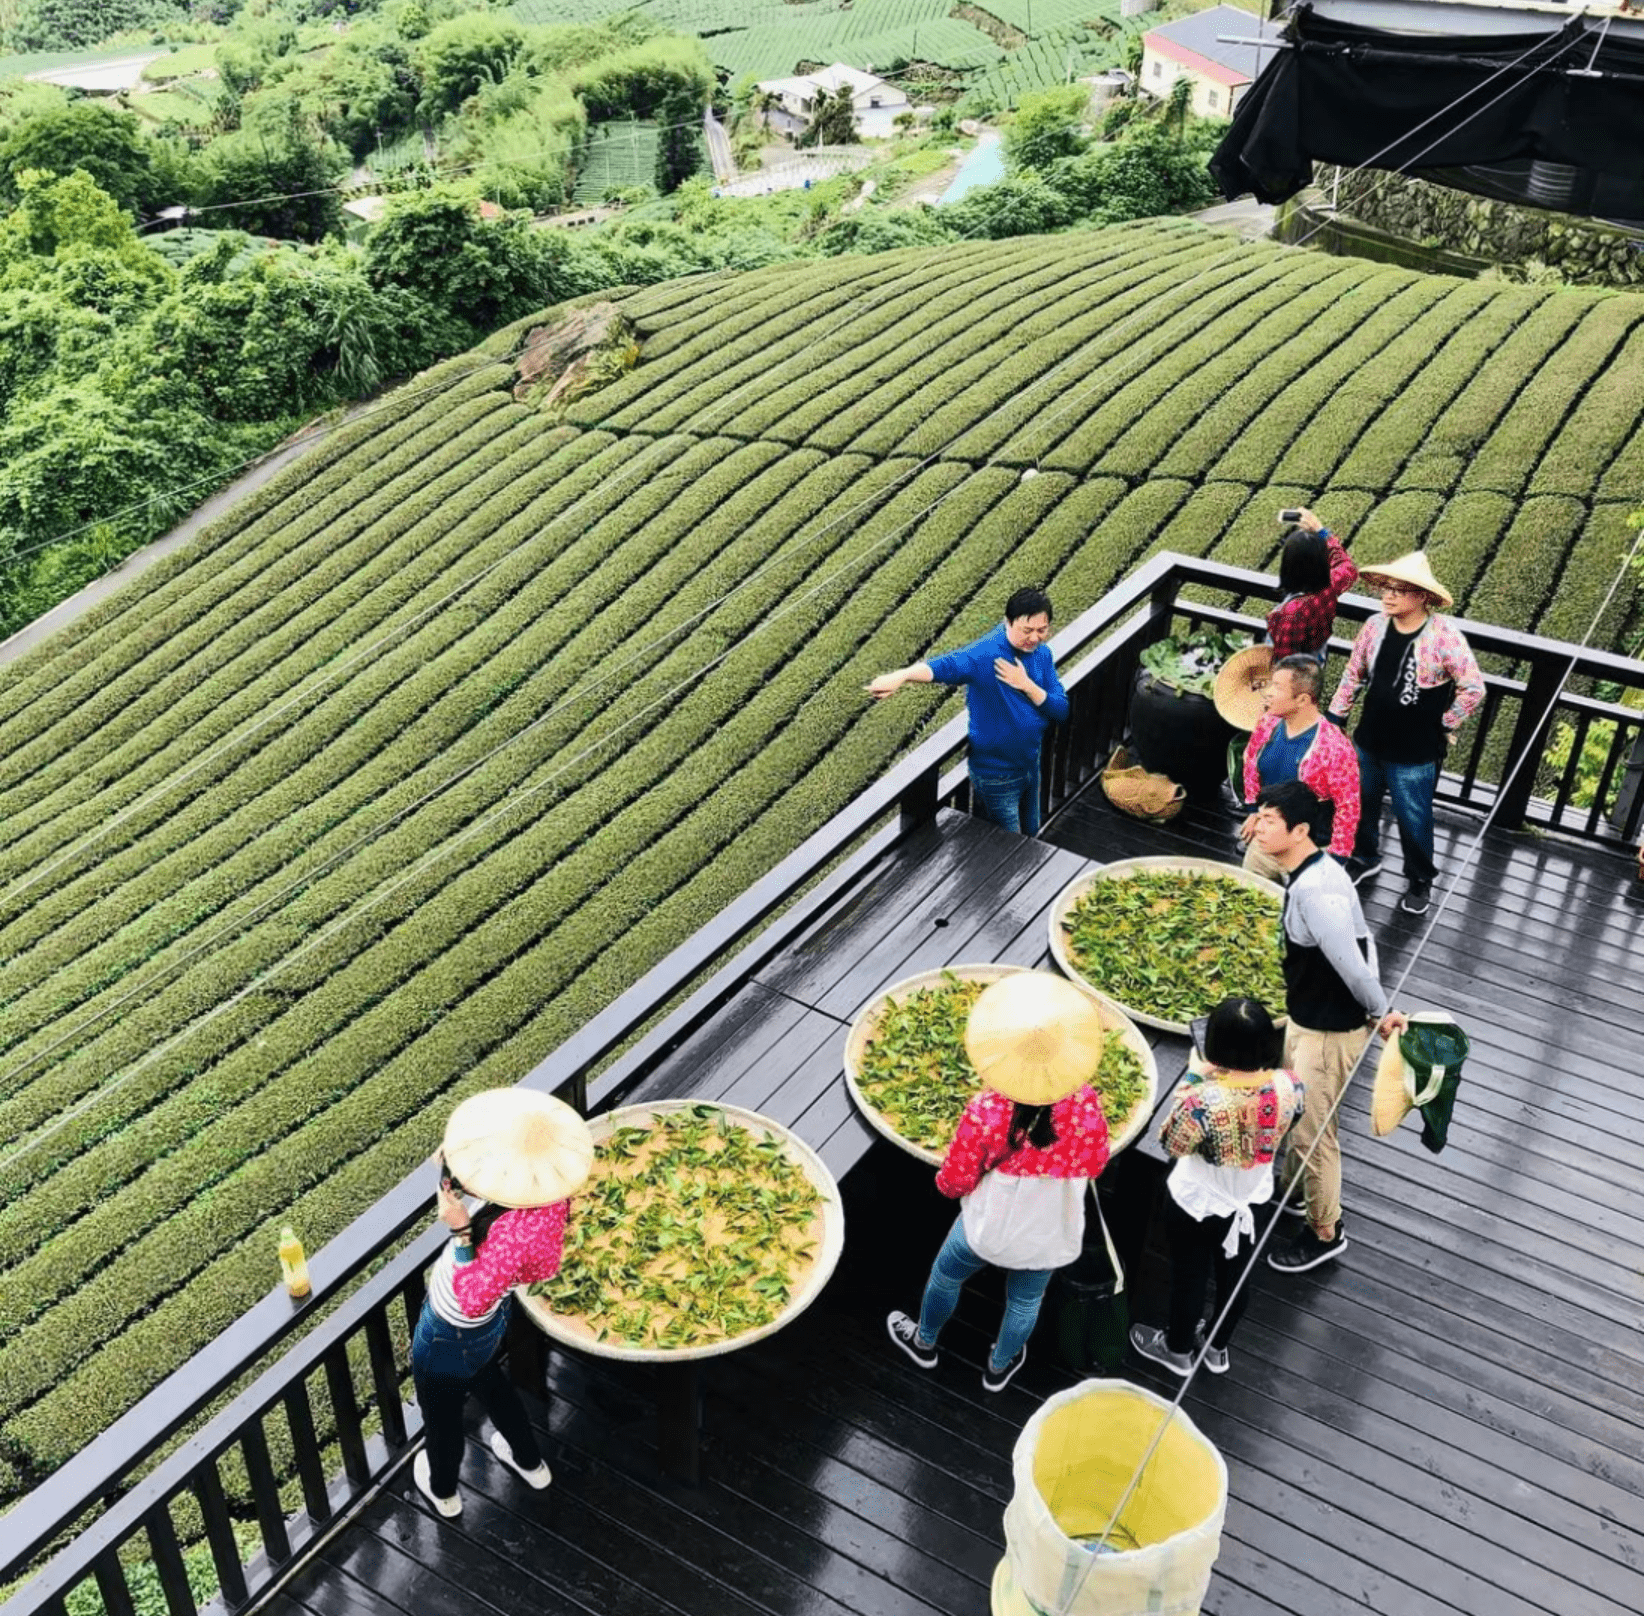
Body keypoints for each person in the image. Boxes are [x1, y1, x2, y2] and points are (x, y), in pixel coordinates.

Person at [886, 972, 1110, 1391]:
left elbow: (955, 1178)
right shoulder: (1084, 1106)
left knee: (946, 1275)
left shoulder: (988, 1110)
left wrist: (947, 1190)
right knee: (1025, 1300)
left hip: (986, 1226)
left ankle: (925, 1341)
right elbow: (1096, 1164)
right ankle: (999, 1366)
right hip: (1048, 1232)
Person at [411, 1087, 594, 1518]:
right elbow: (503, 1188)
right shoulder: (550, 1196)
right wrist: (455, 1167)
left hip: (451, 1328)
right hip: (491, 1326)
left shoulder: (512, 1233)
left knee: (442, 1417)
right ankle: (531, 1463)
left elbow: (472, 1298)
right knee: (492, 1386)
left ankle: (444, 1493)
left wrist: (459, 1233)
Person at [1249, 782, 1407, 1273]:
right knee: (1298, 1118)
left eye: (1269, 820)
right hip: (1306, 1019)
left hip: (1328, 1033)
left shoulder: (1317, 892)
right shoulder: (1317, 872)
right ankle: (1294, 1195)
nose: (1257, 826)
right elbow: (1365, 941)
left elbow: (1356, 964)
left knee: (1314, 1138)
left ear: (1299, 831)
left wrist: (1380, 1012)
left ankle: (1325, 1231)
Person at [1130, 997, 1304, 1377]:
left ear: (1216, 1047)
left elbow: (1172, 1143)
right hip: (1251, 1201)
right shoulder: (1290, 1087)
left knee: (1190, 1279)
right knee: (1234, 1281)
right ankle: (1216, 1347)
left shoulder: (1202, 1102)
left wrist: (1196, 1078)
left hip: (1197, 1204)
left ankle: (1176, 1352)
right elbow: (1287, 1119)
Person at [1326, 552, 1483, 915]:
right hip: (1369, 738)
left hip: (1415, 750)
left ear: (1421, 596)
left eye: (1399, 590)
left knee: (1413, 816)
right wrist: (1337, 716)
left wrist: (1446, 722)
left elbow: (1472, 687)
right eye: (1386, 588)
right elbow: (1354, 673)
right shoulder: (1374, 626)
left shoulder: (1444, 636)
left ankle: (1419, 879)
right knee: (1360, 804)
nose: (1388, 596)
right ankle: (1364, 857)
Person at [866, 587, 1069, 835]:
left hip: (1030, 765)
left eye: (1042, 630)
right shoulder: (986, 654)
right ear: (1008, 622)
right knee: (1008, 847)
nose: (1035, 638)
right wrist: (903, 675)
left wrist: (1027, 685)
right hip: (997, 776)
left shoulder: (1042, 655)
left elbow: (1061, 709)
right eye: (1027, 631)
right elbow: (947, 666)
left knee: (1032, 836)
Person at [1239, 654, 1360, 880]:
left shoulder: (1335, 748)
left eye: (1278, 687)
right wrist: (1253, 811)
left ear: (1302, 700)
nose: (1269, 692)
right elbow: (1251, 765)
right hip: (1263, 844)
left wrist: (1336, 861)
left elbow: (1348, 808)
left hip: (1307, 855)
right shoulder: (1268, 723)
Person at [1266, 509, 1357, 662]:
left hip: (1293, 677)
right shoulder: (1327, 589)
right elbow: (1347, 567)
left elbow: (1283, 663)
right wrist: (1320, 531)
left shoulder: (1290, 613)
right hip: (1315, 663)